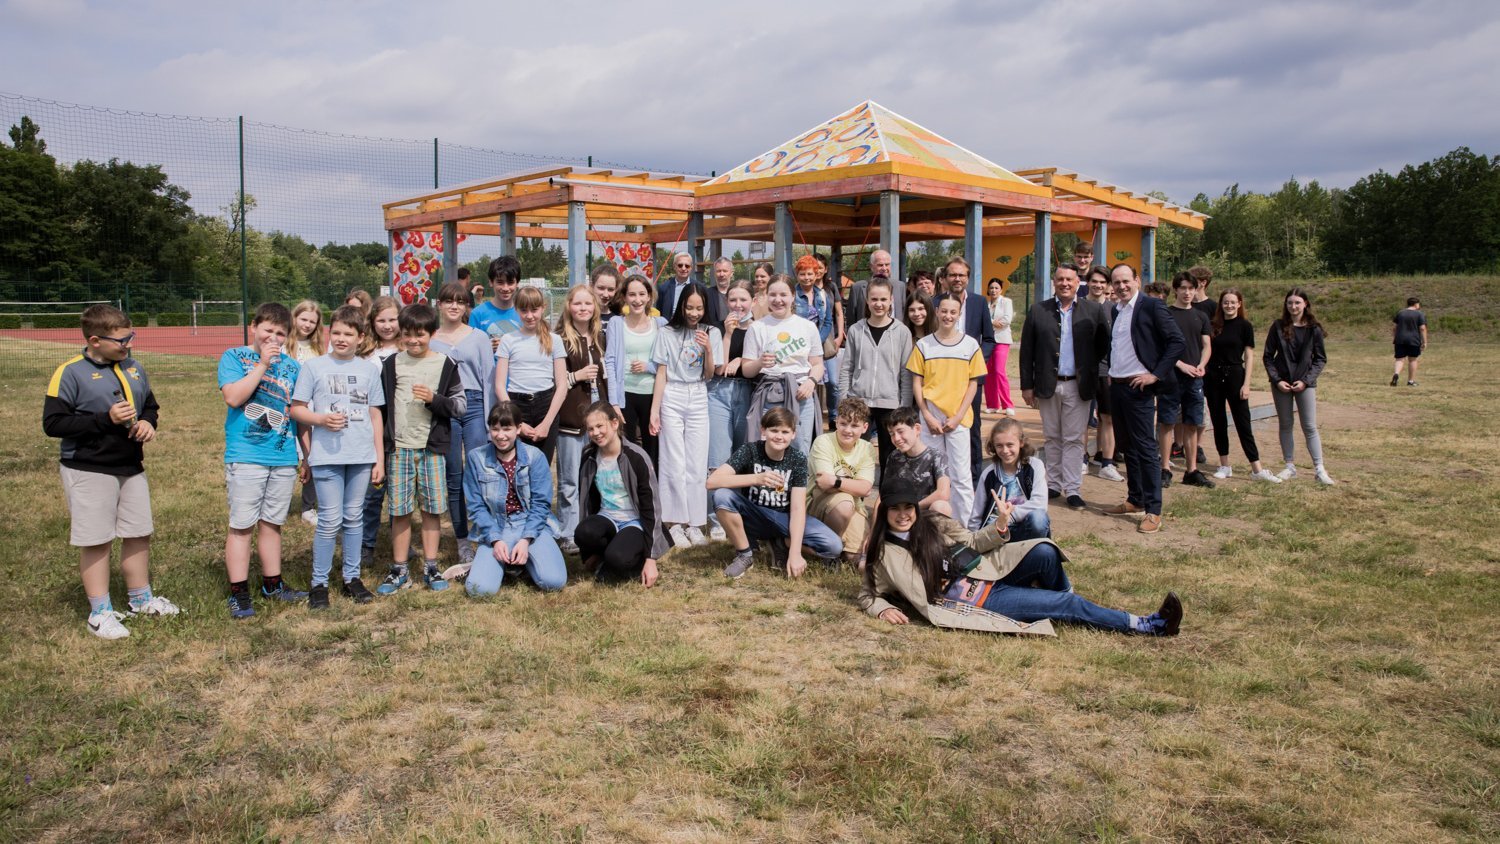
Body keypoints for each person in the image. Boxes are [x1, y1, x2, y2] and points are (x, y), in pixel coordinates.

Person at [859, 486, 1182, 636]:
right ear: (885, 514)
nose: (903, 515)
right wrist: (882, 607)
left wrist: (1000, 525)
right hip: (976, 599)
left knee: (1045, 551)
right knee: (1066, 605)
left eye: (908, 508)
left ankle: (1057, 601)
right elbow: (866, 592)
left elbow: (972, 543)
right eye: (895, 509)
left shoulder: (933, 523)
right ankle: (1147, 625)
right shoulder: (883, 555)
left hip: (987, 572)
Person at [44, 304, 179, 639]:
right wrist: (106, 419)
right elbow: (53, 423)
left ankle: (140, 599)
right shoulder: (70, 372)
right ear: (94, 340)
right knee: (97, 539)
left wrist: (148, 421)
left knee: (138, 532)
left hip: (131, 466)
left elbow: (150, 404)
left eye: (130, 337)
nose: (128, 345)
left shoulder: (134, 367)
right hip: (89, 468)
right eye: (121, 340)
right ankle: (100, 612)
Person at [289, 305, 386, 608]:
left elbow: (375, 415)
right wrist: (321, 420)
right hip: (326, 456)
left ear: (360, 337)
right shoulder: (314, 367)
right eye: (337, 332)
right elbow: (297, 409)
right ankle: (319, 582)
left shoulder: (369, 370)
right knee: (330, 520)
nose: (342, 339)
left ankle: (351, 578)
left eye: (349, 334)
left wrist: (379, 458)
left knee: (353, 517)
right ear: (330, 333)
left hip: (360, 455)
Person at [218, 302, 309, 619]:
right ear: (253, 327)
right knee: (242, 525)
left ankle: (273, 584)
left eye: (280, 333)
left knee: (272, 523)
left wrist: (306, 457)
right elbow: (234, 397)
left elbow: (297, 416)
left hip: (282, 456)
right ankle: (238, 592)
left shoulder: (293, 367)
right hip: (247, 455)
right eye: (268, 330)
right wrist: (261, 366)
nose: (273, 338)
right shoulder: (234, 357)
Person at [375, 302, 465, 595]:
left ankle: (430, 565)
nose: (413, 341)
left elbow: (460, 406)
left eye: (420, 335)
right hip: (399, 449)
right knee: (400, 510)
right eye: (407, 335)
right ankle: (399, 568)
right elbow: (381, 408)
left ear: (433, 333)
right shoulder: (390, 365)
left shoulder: (446, 364)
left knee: (432, 509)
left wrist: (434, 399)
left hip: (431, 450)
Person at [709, 407, 843, 579]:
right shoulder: (750, 451)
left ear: (793, 434)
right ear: (763, 430)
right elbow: (712, 481)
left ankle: (780, 544)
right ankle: (745, 555)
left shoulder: (798, 459)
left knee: (833, 546)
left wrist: (795, 553)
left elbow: (797, 509)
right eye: (774, 430)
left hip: (783, 519)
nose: (779, 436)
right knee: (722, 496)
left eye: (785, 432)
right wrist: (756, 479)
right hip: (752, 515)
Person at [1017, 263, 1110, 511]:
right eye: (1060, 279)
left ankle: (1073, 489)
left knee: (1073, 439)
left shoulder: (1093, 311)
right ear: (1054, 282)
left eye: (1070, 279)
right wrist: (1027, 386)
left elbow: (1102, 345)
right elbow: (1026, 352)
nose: (1065, 284)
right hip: (1048, 385)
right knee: (1052, 437)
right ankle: (1054, 484)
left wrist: (1087, 367)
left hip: (1078, 385)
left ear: (1078, 283)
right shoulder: (1038, 311)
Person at [1102, 264, 1185, 534]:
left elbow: (1176, 342)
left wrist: (1155, 375)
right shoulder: (1117, 310)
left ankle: (1153, 510)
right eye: (1116, 282)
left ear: (1137, 280)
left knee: (1146, 449)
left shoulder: (1152, 306)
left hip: (1140, 387)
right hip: (1118, 385)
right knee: (1127, 447)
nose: (1121, 286)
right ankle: (1135, 498)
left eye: (1126, 281)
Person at [463, 402, 567, 595]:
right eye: (495, 429)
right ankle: (500, 563)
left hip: (529, 524)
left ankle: (519, 563)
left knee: (554, 582)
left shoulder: (534, 456)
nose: (500, 435)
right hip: (495, 526)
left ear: (519, 428)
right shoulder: (475, 458)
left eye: (507, 428)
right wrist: (494, 540)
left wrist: (526, 540)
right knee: (479, 591)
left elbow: (541, 504)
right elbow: (476, 506)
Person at [429, 282, 495, 567]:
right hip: (446, 408)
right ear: (440, 304)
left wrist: (492, 419)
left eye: (460, 301)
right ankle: (462, 540)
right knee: (454, 475)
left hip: (475, 403)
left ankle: (485, 534)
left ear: (467, 306)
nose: (454, 306)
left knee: (480, 470)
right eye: (449, 301)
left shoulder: (478, 337)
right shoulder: (430, 339)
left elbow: (489, 377)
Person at [650, 281, 720, 548]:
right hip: (672, 395)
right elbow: (661, 373)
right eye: (689, 307)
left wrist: (709, 350)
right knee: (673, 460)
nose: (693, 313)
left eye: (699, 308)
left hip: (699, 394)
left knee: (696, 462)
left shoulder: (711, 331)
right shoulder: (667, 332)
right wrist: (655, 410)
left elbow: (710, 374)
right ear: (681, 306)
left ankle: (695, 523)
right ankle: (675, 523)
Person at [908, 291, 987, 524]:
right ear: (937, 312)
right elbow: (917, 383)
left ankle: (967, 528)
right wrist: (927, 415)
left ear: (959, 313)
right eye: (944, 311)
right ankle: (931, 525)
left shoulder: (970, 345)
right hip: (931, 416)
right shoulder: (924, 345)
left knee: (961, 476)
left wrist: (958, 415)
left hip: (958, 418)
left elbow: (974, 384)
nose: (948, 316)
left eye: (953, 312)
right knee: (932, 474)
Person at [575, 402, 666, 587]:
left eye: (600, 426)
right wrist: (588, 552)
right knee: (583, 533)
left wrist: (651, 559)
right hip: (607, 517)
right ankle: (604, 556)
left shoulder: (636, 457)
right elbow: (587, 501)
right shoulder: (589, 456)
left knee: (618, 558)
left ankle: (628, 559)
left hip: (634, 522)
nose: (596, 433)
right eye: (590, 429)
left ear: (614, 423)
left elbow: (651, 508)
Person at [741, 273, 825, 456]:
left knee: (800, 449)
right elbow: (747, 370)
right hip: (770, 395)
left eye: (783, 295)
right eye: (773, 295)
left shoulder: (807, 327)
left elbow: (818, 364)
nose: (778, 300)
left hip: (801, 393)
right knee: (769, 448)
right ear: (766, 296)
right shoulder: (757, 327)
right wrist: (759, 362)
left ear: (793, 296)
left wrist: (811, 382)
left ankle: (797, 485)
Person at [554, 284, 610, 553]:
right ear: (569, 306)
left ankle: (591, 528)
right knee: (568, 481)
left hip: (597, 417)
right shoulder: (559, 339)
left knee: (596, 477)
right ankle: (567, 532)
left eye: (588, 304)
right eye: (578, 304)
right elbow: (551, 380)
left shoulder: (601, 336)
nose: (583, 308)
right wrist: (576, 377)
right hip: (571, 419)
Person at [1205, 289, 1281, 483]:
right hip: (1213, 376)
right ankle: (1224, 465)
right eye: (1225, 302)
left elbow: (1249, 355)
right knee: (1218, 421)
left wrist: (1247, 384)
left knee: (1243, 422)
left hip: (1235, 375)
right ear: (1221, 305)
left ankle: (1257, 469)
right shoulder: (1213, 325)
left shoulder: (1245, 326)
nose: (1229, 306)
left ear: (1239, 304)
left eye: (1233, 302)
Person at [838, 277, 913, 464]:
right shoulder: (856, 330)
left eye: (883, 299)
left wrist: (904, 406)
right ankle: (855, 493)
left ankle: (885, 494)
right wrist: (843, 401)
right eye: (874, 299)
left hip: (890, 403)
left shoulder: (902, 332)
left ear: (891, 301)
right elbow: (847, 367)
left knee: (889, 456)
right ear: (867, 300)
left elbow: (905, 372)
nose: (878, 304)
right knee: (855, 455)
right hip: (859, 402)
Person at [1264, 288, 1334, 485]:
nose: (1293, 306)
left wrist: (1306, 380)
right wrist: (1277, 380)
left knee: (1310, 426)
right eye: (1289, 303)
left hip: (1306, 384)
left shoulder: (1314, 329)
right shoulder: (1278, 326)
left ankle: (1319, 469)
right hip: (1282, 384)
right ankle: (1289, 466)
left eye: (1297, 303)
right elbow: (1268, 357)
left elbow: (1320, 359)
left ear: (1305, 304)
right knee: (1286, 425)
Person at [938, 257, 996, 483]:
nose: (957, 279)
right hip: (942, 380)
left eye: (961, 275)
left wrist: (976, 364)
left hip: (971, 379)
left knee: (971, 426)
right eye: (953, 275)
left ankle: (973, 476)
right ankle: (943, 477)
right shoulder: (935, 302)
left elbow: (989, 339)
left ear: (968, 278)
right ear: (945, 278)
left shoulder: (979, 303)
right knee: (942, 425)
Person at [494, 286, 568, 461]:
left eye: (534, 310)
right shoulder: (508, 340)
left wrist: (547, 423)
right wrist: (516, 421)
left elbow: (562, 385)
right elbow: (499, 385)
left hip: (546, 405)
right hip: (516, 405)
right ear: (516, 310)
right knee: (517, 464)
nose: (529, 316)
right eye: (524, 310)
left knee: (542, 465)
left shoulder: (554, 340)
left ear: (543, 308)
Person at [808, 397, 877, 568]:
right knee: (845, 502)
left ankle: (833, 549)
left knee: (858, 558)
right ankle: (829, 554)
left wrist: (836, 481)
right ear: (836, 422)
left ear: (864, 427)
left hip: (853, 507)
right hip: (817, 502)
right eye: (844, 423)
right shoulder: (823, 441)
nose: (848, 430)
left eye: (854, 426)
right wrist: (855, 487)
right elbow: (824, 485)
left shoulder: (866, 448)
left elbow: (866, 488)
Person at [604, 274, 666, 464]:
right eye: (632, 295)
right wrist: (614, 402)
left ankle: (651, 488)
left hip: (652, 395)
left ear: (649, 296)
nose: (637, 300)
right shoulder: (616, 323)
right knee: (626, 447)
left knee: (652, 447)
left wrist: (649, 366)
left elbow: (667, 363)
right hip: (626, 394)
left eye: (642, 294)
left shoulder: (660, 324)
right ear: (624, 297)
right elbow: (610, 362)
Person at [358, 296, 402, 560]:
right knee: (372, 492)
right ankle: (366, 543)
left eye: (392, 320)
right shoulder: (365, 353)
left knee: (399, 490)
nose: (387, 326)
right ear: (372, 322)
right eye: (381, 320)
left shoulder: (408, 348)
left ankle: (402, 540)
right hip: (371, 424)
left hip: (399, 425)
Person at [1161, 273, 1214, 489]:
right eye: (1183, 288)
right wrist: (1180, 365)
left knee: (1192, 423)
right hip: (1171, 376)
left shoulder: (1201, 316)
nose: (1187, 292)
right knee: (1167, 423)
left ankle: (1191, 470)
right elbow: (1162, 346)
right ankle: (1165, 468)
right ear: (1175, 289)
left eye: (1191, 288)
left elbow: (1207, 345)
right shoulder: (1166, 314)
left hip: (1195, 378)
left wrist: (1201, 365)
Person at [971, 417, 1050, 541]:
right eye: (999, 446)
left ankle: (1031, 552)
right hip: (996, 531)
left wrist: (1009, 516)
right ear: (994, 447)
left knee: (1039, 519)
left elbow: (1040, 503)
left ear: (1021, 443)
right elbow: (976, 515)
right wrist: (973, 543)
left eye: (1010, 445)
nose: (1005, 451)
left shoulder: (1035, 466)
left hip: (1023, 527)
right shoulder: (988, 474)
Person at [1084, 265, 1123, 482]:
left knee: (1107, 418)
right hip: (1083, 372)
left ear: (1108, 286)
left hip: (1108, 371)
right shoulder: (1078, 306)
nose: (1098, 285)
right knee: (1082, 419)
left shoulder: (1114, 309)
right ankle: (1081, 459)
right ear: (1088, 282)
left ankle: (1107, 462)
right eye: (1094, 281)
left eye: (1102, 282)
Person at [288, 299, 326, 524]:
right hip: (285, 408)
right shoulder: (284, 345)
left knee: (311, 453)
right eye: (303, 319)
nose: (308, 324)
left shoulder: (318, 349)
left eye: (313, 321)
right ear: (294, 318)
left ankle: (308, 506)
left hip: (309, 409)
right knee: (290, 454)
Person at [791, 255, 836, 428]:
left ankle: (822, 419)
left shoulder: (822, 295)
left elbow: (827, 321)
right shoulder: (793, 295)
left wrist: (817, 341)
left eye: (810, 274)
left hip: (818, 343)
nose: (807, 278)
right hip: (798, 345)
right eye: (803, 274)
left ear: (816, 274)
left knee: (828, 382)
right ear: (797, 275)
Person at [884, 406, 953, 517]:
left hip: (925, 513)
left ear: (917, 429)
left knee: (942, 506)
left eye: (900, 431)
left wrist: (914, 508)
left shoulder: (936, 456)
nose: (896, 438)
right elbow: (885, 493)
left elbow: (943, 493)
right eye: (892, 434)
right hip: (901, 515)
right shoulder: (894, 457)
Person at [471, 255, 522, 353]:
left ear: (517, 283)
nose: (506, 288)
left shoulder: (526, 313)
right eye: (500, 282)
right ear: (491, 282)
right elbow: (471, 350)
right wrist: (485, 347)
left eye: (510, 282)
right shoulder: (477, 314)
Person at [846, 248, 905, 325]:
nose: (884, 268)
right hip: (866, 334)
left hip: (895, 334)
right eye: (880, 265)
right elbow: (851, 317)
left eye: (887, 264)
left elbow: (904, 312)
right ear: (871, 266)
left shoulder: (900, 286)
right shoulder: (857, 288)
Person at [984, 277, 1015, 416]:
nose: (993, 290)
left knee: (998, 371)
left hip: (1002, 340)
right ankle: (992, 405)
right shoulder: (985, 303)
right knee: (988, 373)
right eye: (991, 288)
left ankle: (1007, 404)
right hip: (987, 341)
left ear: (1001, 289)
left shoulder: (1006, 302)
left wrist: (988, 320)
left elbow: (1006, 321)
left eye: (996, 288)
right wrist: (993, 322)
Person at [1391, 296, 1427, 387]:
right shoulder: (1419, 314)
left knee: (1399, 359)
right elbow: (1422, 328)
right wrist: (1424, 341)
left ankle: (1396, 374)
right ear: (1416, 304)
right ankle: (1410, 381)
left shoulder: (1400, 313)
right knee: (1412, 360)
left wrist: (1395, 337)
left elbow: (1394, 327)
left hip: (1400, 339)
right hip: (1413, 340)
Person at [656, 252, 695, 318]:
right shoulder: (664, 288)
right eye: (680, 265)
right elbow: (660, 312)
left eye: (687, 266)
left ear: (691, 267)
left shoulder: (699, 287)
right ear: (674, 266)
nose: (683, 268)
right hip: (670, 326)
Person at [704, 255, 735, 331]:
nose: (721, 274)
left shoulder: (738, 293)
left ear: (731, 273)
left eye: (725, 271)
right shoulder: (707, 294)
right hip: (714, 337)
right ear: (714, 273)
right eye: (718, 271)